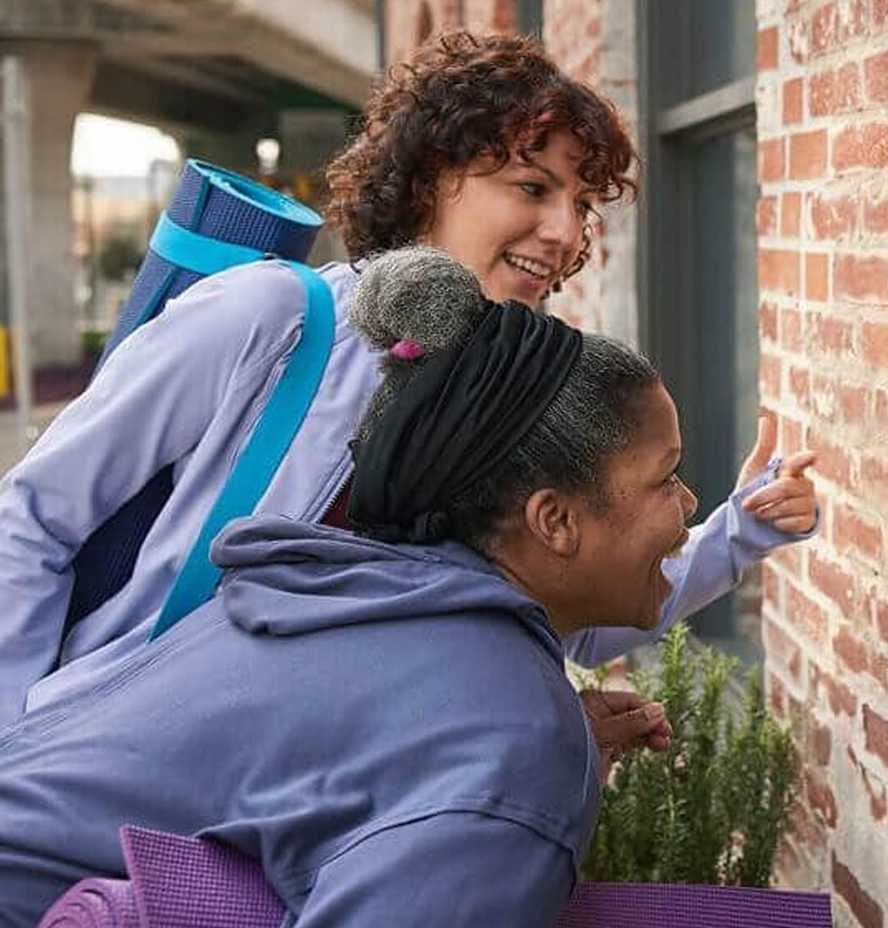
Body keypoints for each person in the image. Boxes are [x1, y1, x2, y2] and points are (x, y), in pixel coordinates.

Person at [0, 30, 817, 720]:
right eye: (531, 187)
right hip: (110, 761)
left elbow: (569, 611)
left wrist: (737, 535)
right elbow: (35, 517)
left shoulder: (508, 403)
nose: (566, 233)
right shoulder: (273, 319)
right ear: (430, 180)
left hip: (290, 811)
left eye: (581, 204)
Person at [0, 246, 713, 925]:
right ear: (554, 520)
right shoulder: (509, 741)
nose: (689, 504)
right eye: (665, 478)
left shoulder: (342, 594)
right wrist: (516, 785)